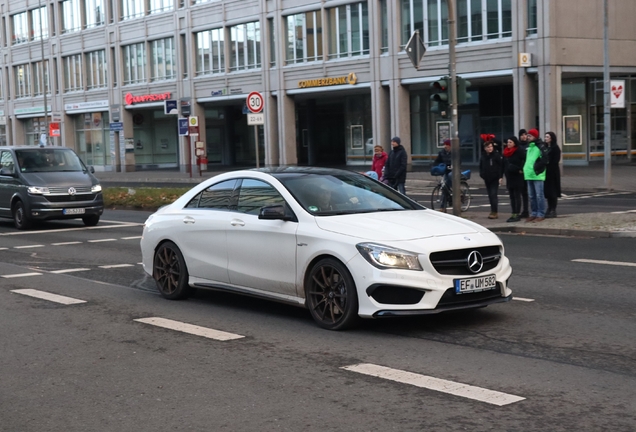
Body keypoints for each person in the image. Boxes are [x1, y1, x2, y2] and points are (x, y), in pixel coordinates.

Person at [522, 128, 548, 222]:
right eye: (527, 135)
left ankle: (540, 213)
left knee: (539, 195)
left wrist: (536, 168)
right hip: (529, 174)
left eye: (530, 136)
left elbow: (545, 159)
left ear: (535, 136)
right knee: (532, 196)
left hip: (537, 174)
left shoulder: (540, 147)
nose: (528, 137)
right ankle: (534, 213)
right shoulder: (529, 147)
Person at [479, 135, 504, 219]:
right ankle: (492, 210)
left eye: (491, 147)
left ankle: (494, 211)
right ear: (485, 148)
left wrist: (500, 176)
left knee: (493, 194)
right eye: (488, 147)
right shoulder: (483, 156)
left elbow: (501, 166)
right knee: (490, 195)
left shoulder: (496, 155)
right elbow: (481, 166)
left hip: (494, 178)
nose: (490, 148)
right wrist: (482, 174)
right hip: (487, 178)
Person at [503, 136, 526, 222]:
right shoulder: (506, 152)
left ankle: (517, 214)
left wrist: (521, 169)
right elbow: (503, 164)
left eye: (510, 142)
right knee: (511, 196)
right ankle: (513, 213)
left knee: (517, 196)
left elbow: (525, 160)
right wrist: (501, 175)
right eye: (508, 142)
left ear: (514, 143)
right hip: (509, 177)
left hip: (517, 176)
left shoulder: (519, 151)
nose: (508, 144)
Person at [544, 131, 562, 218]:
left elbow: (555, 161)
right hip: (546, 172)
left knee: (553, 192)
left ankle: (553, 209)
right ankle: (549, 208)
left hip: (553, 172)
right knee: (547, 192)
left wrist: (549, 165)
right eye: (545, 137)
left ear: (551, 138)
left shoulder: (555, 148)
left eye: (547, 137)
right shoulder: (545, 147)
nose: (546, 138)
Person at [518, 129, 530, 218]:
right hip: (520, 172)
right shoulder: (518, 146)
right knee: (522, 193)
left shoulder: (529, 145)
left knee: (529, 193)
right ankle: (524, 210)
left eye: (525, 134)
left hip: (529, 171)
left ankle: (528, 210)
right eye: (522, 135)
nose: (524, 136)